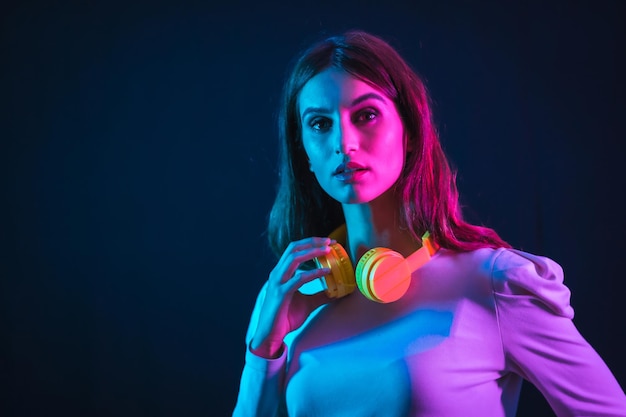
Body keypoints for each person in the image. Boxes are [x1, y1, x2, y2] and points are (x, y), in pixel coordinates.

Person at [232, 30, 626, 416]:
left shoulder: (495, 284)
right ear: (304, 150)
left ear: (409, 130)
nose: (344, 143)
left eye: (366, 114)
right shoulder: (289, 298)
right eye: (320, 124)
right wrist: (264, 349)